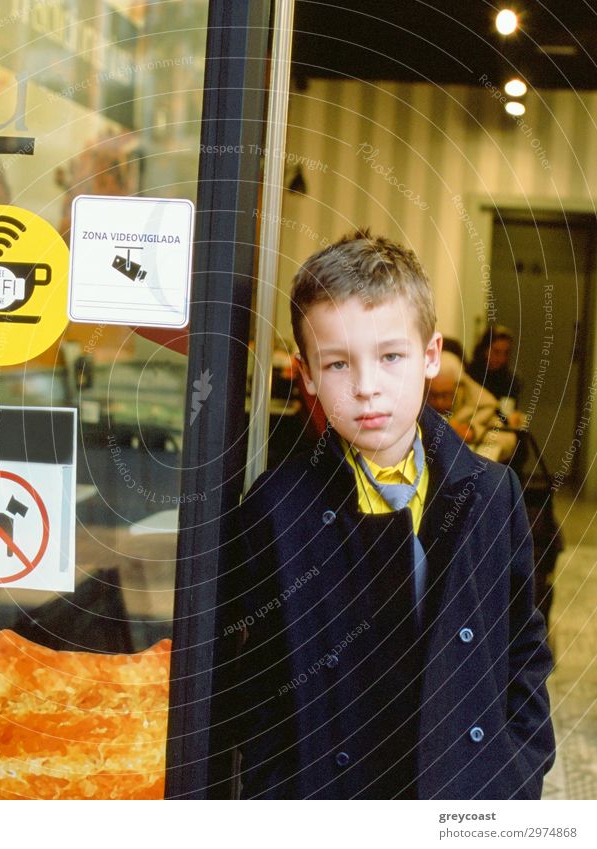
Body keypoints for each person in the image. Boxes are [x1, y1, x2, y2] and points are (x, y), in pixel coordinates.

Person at [229, 229, 554, 799]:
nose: (366, 388)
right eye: (337, 365)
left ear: (430, 358)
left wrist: (518, 769)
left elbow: (522, 640)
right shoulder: (277, 509)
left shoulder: (491, 493)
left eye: (391, 357)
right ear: (306, 373)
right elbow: (254, 682)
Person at [428, 350, 517, 462]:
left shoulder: (479, 405)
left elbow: (509, 440)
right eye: (432, 394)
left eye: (445, 395)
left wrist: (473, 433)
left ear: (457, 389)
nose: (439, 402)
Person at [467, 325, 524, 427]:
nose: (501, 359)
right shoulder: (469, 374)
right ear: (484, 349)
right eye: (496, 352)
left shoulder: (511, 380)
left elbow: (509, 414)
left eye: (506, 353)